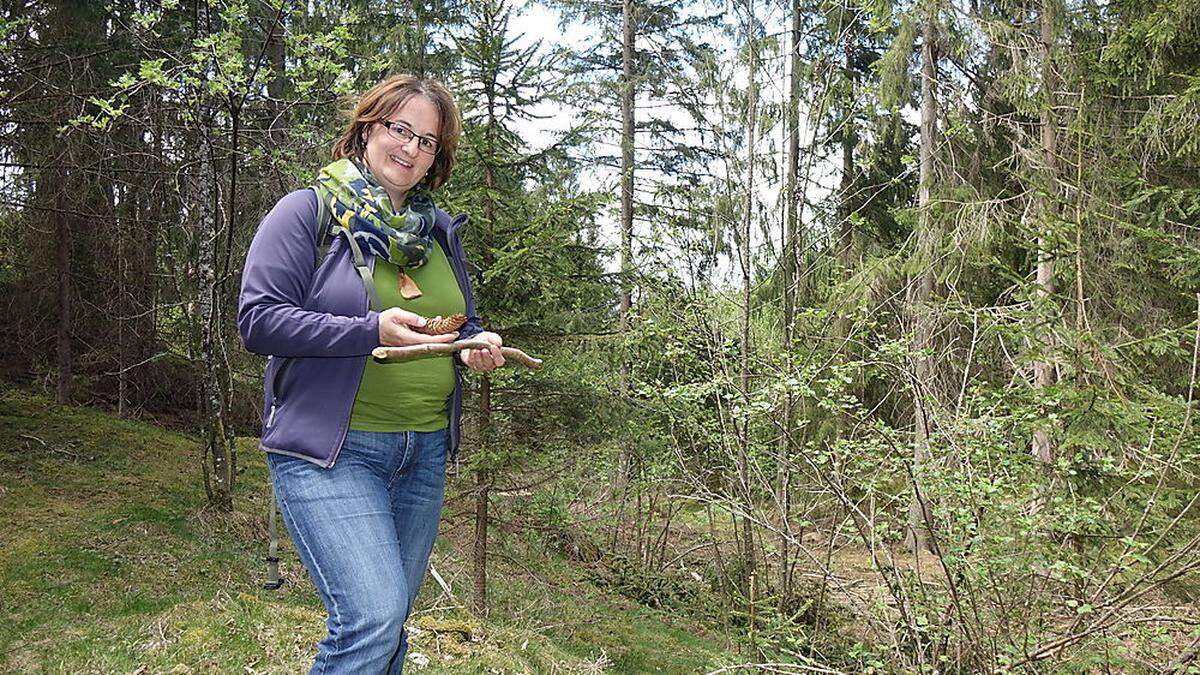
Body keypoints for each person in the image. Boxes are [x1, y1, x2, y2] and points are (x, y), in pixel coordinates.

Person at [237, 74, 504, 674]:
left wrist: (471, 345)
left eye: (428, 141)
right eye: (399, 129)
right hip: (331, 451)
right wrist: (368, 330)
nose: (410, 148)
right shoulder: (307, 211)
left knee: (391, 625)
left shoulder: (436, 233)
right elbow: (258, 320)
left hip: (423, 451)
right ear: (367, 128)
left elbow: (455, 322)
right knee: (371, 618)